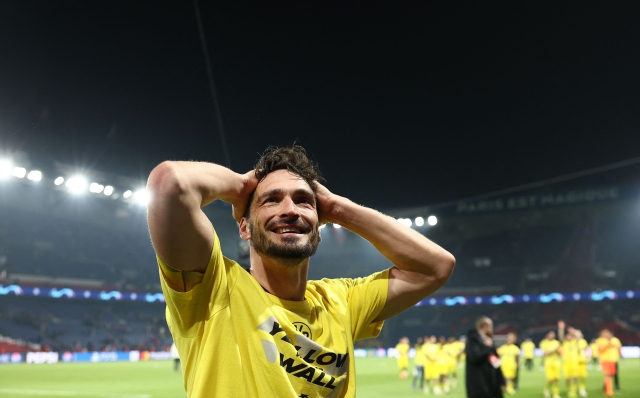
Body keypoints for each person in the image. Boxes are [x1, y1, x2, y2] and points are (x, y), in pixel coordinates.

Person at [146, 145, 456, 397]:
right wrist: (242, 185)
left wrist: (337, 207)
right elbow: (170, 183)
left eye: (304, 201)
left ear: (319, 230)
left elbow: (435, 267)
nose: (290, 210)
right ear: (245, 228)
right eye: (271, 200)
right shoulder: (213, 288)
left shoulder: (341, 302)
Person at [465, 316, 504, 398]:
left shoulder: (489, 340)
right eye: (491, 327)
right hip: (479, 386)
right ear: (486, 327)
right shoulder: (472, 340)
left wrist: (501, 381)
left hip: (491, 384)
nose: (492, 329)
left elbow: (495, 361)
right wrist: (488, 347)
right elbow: (475, 358)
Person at [596, 329, 621, 397]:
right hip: (604, 361)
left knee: (612, 375)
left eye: (606, 333)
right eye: (604, 333)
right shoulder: (600, 340)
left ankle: (608, 388)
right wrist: (608, 342)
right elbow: (600, 350)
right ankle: (609, 391)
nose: (605, 334)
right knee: (607, 375)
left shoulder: (615, 340)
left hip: (613, 360)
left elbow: (619, 347)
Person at [558, 321, 578, 398]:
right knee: (567, 378)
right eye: (567, 336)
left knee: (575, 377)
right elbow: (560, 336)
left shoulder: (574, 342)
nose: (568, 337)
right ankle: (568, 389)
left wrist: (573, 331)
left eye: (570, 336)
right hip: (566, 362)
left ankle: (573, 390)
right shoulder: (565, 343)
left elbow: (577, 336)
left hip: (574, 362)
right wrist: (561, 328)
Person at [540, 330, 561, 398]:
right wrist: (553, 350)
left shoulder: (556, 342)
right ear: (547, 335)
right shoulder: (543, 343)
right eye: (551, 334)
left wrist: (551, 351)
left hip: (556, 362)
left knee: (557, 379)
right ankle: (547, 389)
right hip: (548, 363)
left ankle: (556, 394)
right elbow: (545, 353)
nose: (552, 336)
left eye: (553, 335)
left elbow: (559, 353)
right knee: (550, 379)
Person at [574, 329, 588, 397]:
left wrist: (588, 358)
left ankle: (582, 389)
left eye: (579, 333)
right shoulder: (572, 342)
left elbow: (587, 350)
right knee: (575, 377)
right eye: (577, 333)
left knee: (582, 377)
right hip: (575, 362)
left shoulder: (583, 342)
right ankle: (574, 390)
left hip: (583, 362)